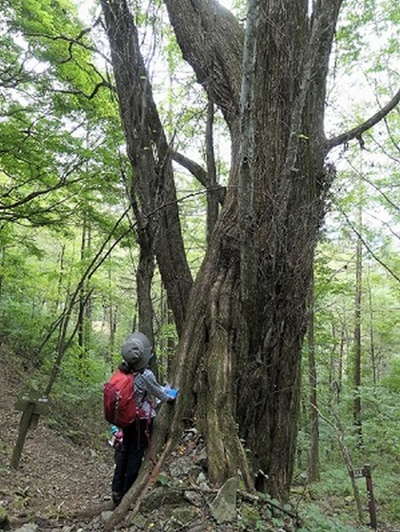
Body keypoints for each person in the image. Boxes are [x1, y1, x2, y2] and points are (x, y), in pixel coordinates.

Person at [111, 331, 177, 507]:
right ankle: (126, 494)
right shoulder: (146, 375)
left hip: (126, 419)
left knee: (124, 451)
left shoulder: (124, 371)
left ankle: (116, 491)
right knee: (135, 454)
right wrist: (171, 394)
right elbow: (162, 395)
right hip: (139, 422)